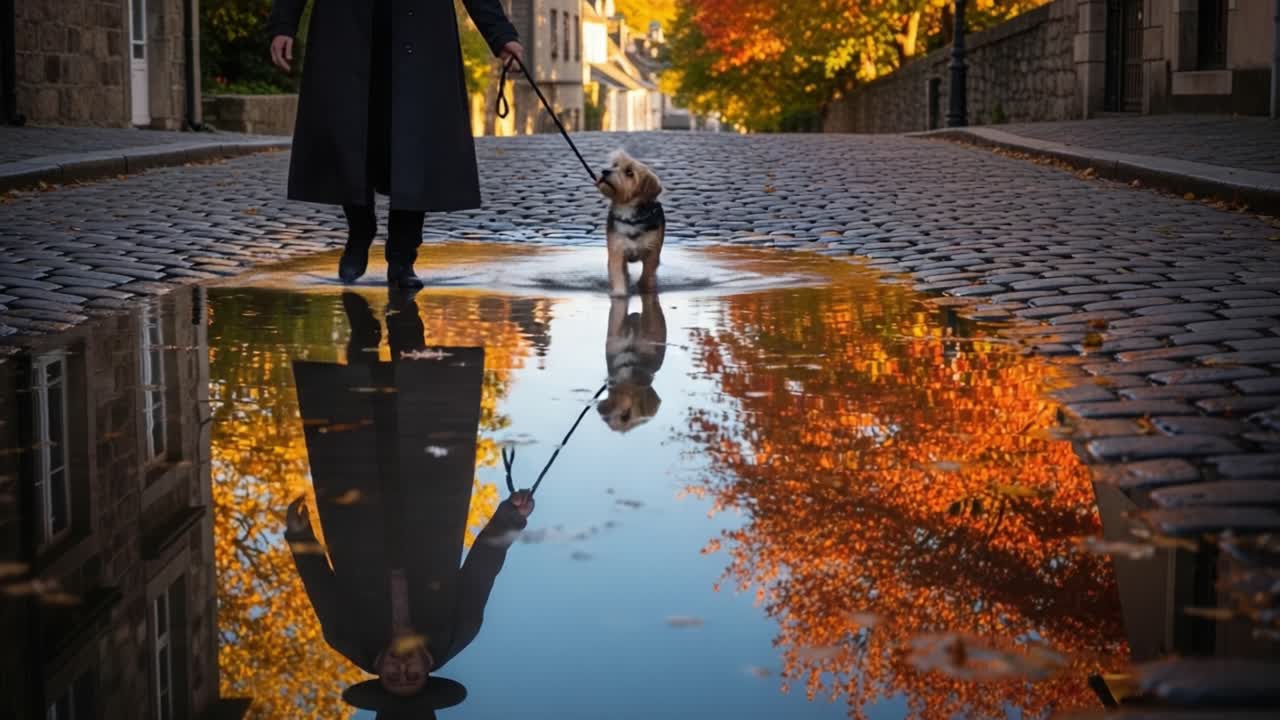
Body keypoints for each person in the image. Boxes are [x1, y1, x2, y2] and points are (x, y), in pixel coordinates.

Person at [284, 291, 533, 715]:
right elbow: (482, 567)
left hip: (358, 514)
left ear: (379, 673)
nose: (402, 669)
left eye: (393, 678)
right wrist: (510, 515)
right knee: (422, 395)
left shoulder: (346, 636)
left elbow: (319, 582)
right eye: (412, 677)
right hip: (429, 503)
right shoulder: (460, 631)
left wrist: (299, 534)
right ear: (427, 669)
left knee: (355, 409)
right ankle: (403, 308)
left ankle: (362, 331)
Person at [267, 0, 524, 288]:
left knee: (415, 143)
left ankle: (403, 256)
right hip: (345, 28)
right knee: (349, 133)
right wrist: (283, 25)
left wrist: (501, 35)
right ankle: (360, 230)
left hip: (422, 32)